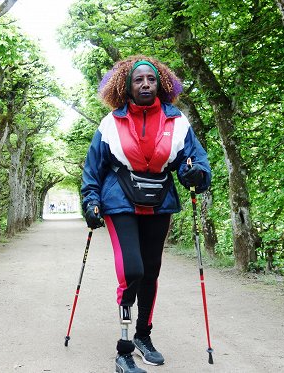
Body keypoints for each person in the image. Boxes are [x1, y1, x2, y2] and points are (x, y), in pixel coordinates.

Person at [80, 55, 211, 373]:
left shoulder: (177, 121)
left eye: (150, 79)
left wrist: (195, 175)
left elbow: (193, 161)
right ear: (126, 85)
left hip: (159, 202)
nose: (145, 84)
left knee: (151, 272)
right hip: (118, 201)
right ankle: (123, 350)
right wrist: (90, 200)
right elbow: (93, 166)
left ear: (161, 84)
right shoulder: (111, 122)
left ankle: (143, 336)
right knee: (133, 271)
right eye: (138, 80)